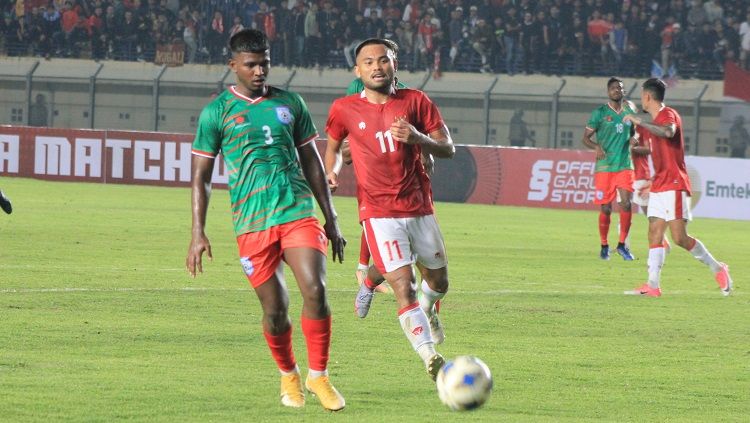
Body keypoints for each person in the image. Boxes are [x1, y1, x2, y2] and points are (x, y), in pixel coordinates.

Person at [185, 29, 346, 411]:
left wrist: (332, 217)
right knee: (275, 310)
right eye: (251, 64)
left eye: (265, 63)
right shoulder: (217, 112)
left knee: (315, 291)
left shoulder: (292, 103)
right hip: (252, 222)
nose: (259, 71)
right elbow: (201, 178)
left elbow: (312, 161)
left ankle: (319, 375)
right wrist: (197, 232)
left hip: (296, 210)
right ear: (233, 66)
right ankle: (288, 375)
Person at [324, 38, 455, 381]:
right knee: (404, 285)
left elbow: (448, 147)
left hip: (418, 207)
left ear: (395, 64)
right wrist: (333, 170)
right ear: (358, 70)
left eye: (383, 60)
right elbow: (335, 146)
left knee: (439, 283)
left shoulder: (416, 101)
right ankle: (429, 355)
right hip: (378, 211)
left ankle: (408, 301)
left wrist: (419, 140)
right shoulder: (344, 108)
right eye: (368, 62)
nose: (377, 67)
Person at [623, 78, 732, 297]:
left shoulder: (667, 115)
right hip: (660, 185)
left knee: (679, 238)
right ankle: (653, 286)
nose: (641, 99)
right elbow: (659, 154)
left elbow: (669, 132)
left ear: (647, 96)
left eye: (643, 94)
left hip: (674, 184)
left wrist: (640, 122)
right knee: (654, 232)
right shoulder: (653, 122)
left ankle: (718, 269)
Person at [581, 77, 637, 261]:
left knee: (626, 203)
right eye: (613, 88)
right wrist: (596, 147)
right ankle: (604, 244)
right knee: (606, 208)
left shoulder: (629, 111)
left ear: (624, 91)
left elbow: (632, 133)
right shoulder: (599, 113)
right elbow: (586, 138)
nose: (616, 90)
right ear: (608, 92)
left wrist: (633, 140)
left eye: (619, 88)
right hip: (605, 167)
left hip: (624, 165)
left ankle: (622, 245)